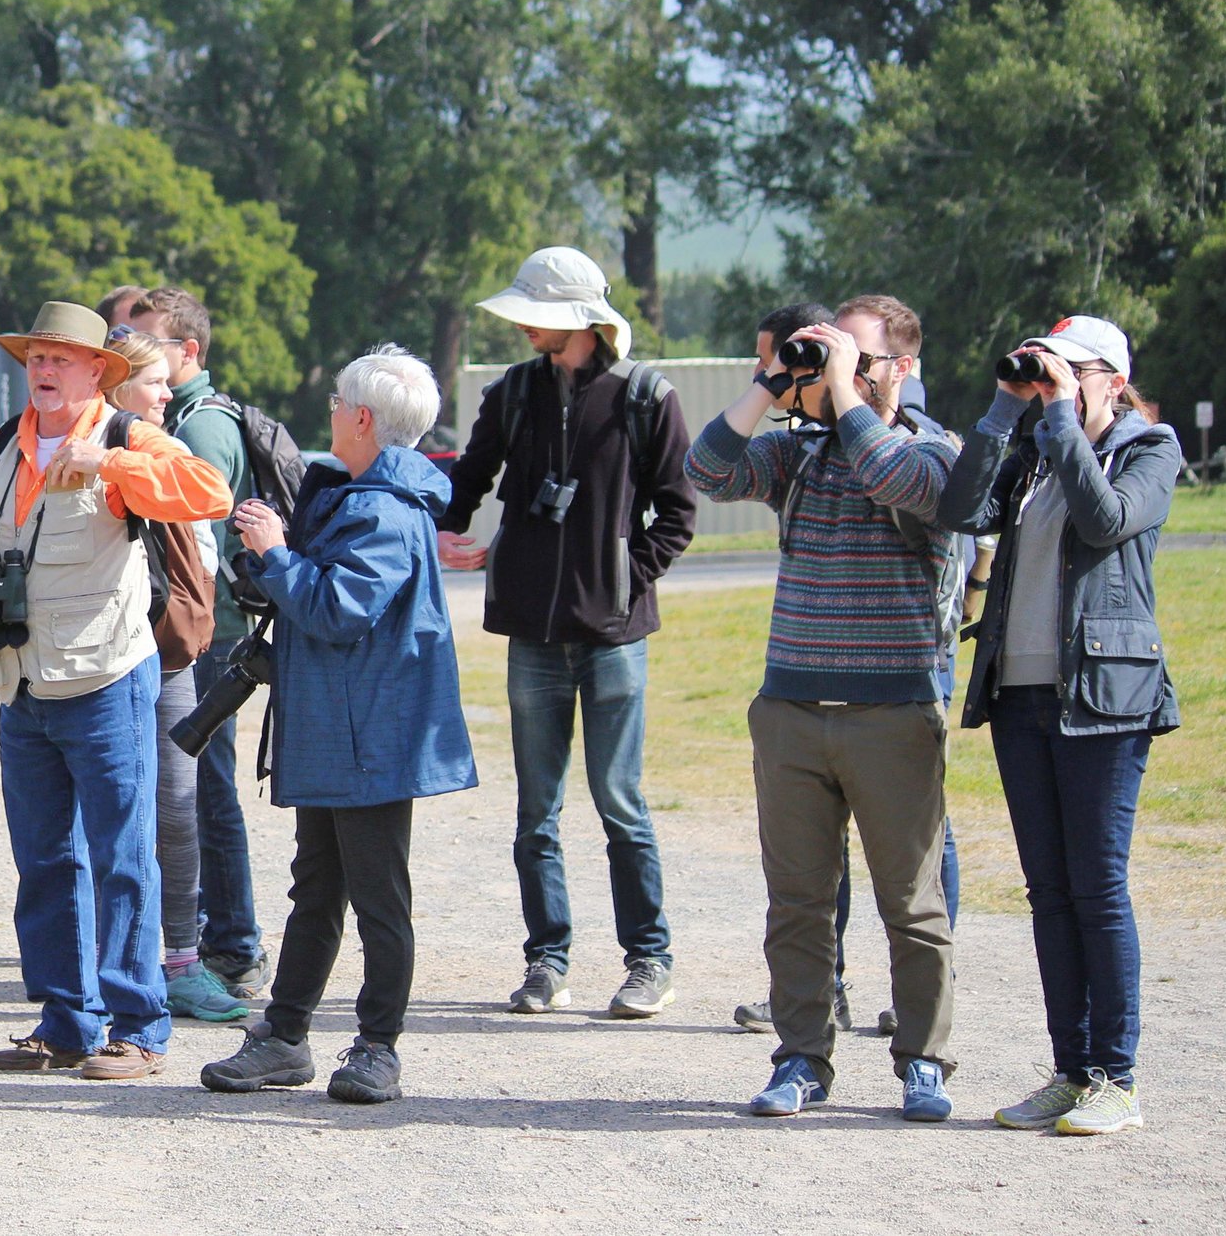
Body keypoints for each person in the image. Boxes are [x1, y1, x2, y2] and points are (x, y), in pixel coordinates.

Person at [0, 301, 232, 1080]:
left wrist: (110, 466)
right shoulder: (3, 444)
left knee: (122, 857)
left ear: (98, 371)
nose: (42, 368)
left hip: (106, 682)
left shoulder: (126, 436)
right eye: (36, 356)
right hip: (21, 683)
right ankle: (66, 1021)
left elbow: (211, 491)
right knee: (43, 860)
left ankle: (139, 1027)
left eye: (61, 358)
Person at [686, 294, 960, 1123]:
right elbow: (706, 471)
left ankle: (923, 1062)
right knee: (797, 902)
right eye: (832, 355)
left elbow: (890, 478)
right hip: (793, 709)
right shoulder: (797, 456)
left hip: (893, 711)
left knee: (910, 903)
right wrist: (773, 383)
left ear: (901, 369)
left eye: (859, 357)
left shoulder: (936, 451)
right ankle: (802, 1058)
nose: (836, 371)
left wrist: (844, 392)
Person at [199, 345, 477, 1105]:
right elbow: (313, 595)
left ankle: (378, 1048)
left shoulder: (384, 510)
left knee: (378, 897)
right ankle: (285, 1038)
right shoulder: (360, 496)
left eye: (335, 403)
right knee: (317, 888)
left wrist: (276, 552)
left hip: (369, 737)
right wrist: (268, 559)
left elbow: (338, 608)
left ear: (362, 417)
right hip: (341, 731)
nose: (327, 414)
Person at [438, 247, 695, 1019]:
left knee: (620, 801)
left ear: (578, 320)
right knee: (535, 813)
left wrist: (622, 581)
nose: (521, 325)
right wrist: (435, 530)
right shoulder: (511, 392)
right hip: (532, 635)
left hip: (615, 637)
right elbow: (467, 481)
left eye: (534, 314)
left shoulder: (647, 397)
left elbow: (679, 514)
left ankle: (649, 960)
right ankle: (546, 961)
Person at [939, 315, 1180, 1137]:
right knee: (1048, 893)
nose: (1056, 385)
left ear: (1113, 378)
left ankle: (1118, 1076)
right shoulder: (1036, 445)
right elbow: (961, 508)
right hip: (1022, 696)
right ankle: (1071, 1071)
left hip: (1106, 700)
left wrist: (1064, 419)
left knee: (1097, 889)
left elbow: (1106, 520)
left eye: (1073, 373)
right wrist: (1007, 410)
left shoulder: (1151, 449)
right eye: (1050, 371)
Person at [106, 328, 248, 1025]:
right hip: (97, 663)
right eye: (155, 383)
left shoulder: (173, 451)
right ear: (116, 386)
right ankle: (108, 969)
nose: (169, 393)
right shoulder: (77, 450)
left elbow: (206, 526)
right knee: (104, 814)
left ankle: (184, 962)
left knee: (178, 807)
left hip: (168, 657)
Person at [129, 286, 267, 999]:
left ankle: (235, 948)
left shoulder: (203, 425)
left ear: (188, 352)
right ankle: (215, 938)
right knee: (193, 795)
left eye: (150, 344)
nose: (137, 354)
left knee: (204, 796)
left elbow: (197, 549)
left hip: (209, 639)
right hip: (200, 635)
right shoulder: (175, 414)